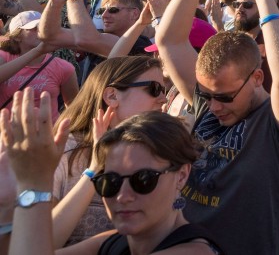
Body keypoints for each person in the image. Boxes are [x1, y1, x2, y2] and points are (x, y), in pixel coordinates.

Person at [155, 0, 279, 255]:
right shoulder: (209, 102)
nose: (212, 106)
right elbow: (169, 41)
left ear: (256, 78)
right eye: (207, 95)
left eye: (224, 97)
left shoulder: (277, 126)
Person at [2, 92, 220, 255]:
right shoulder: (114, 242)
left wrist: (34, 185)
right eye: (110, 182)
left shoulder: (195, 252)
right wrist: (5, 206)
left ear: (181, 176)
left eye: (143, 180)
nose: (122, 196)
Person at [51, 55, 169, 245]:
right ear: (112, 96)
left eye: (164, 90)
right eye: (154, 89)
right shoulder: (66, 149)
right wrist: (94, 170)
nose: (163, 99)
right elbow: (42, 242)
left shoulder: (154, 151)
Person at [0, 10, 77, 118]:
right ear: (17, 36)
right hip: (8, 132)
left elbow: (73, 107)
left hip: (48, 132)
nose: (40, 31)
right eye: (34, 28)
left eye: (43, 27)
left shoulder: (64, 67)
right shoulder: (4, 56)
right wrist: (37, 51)